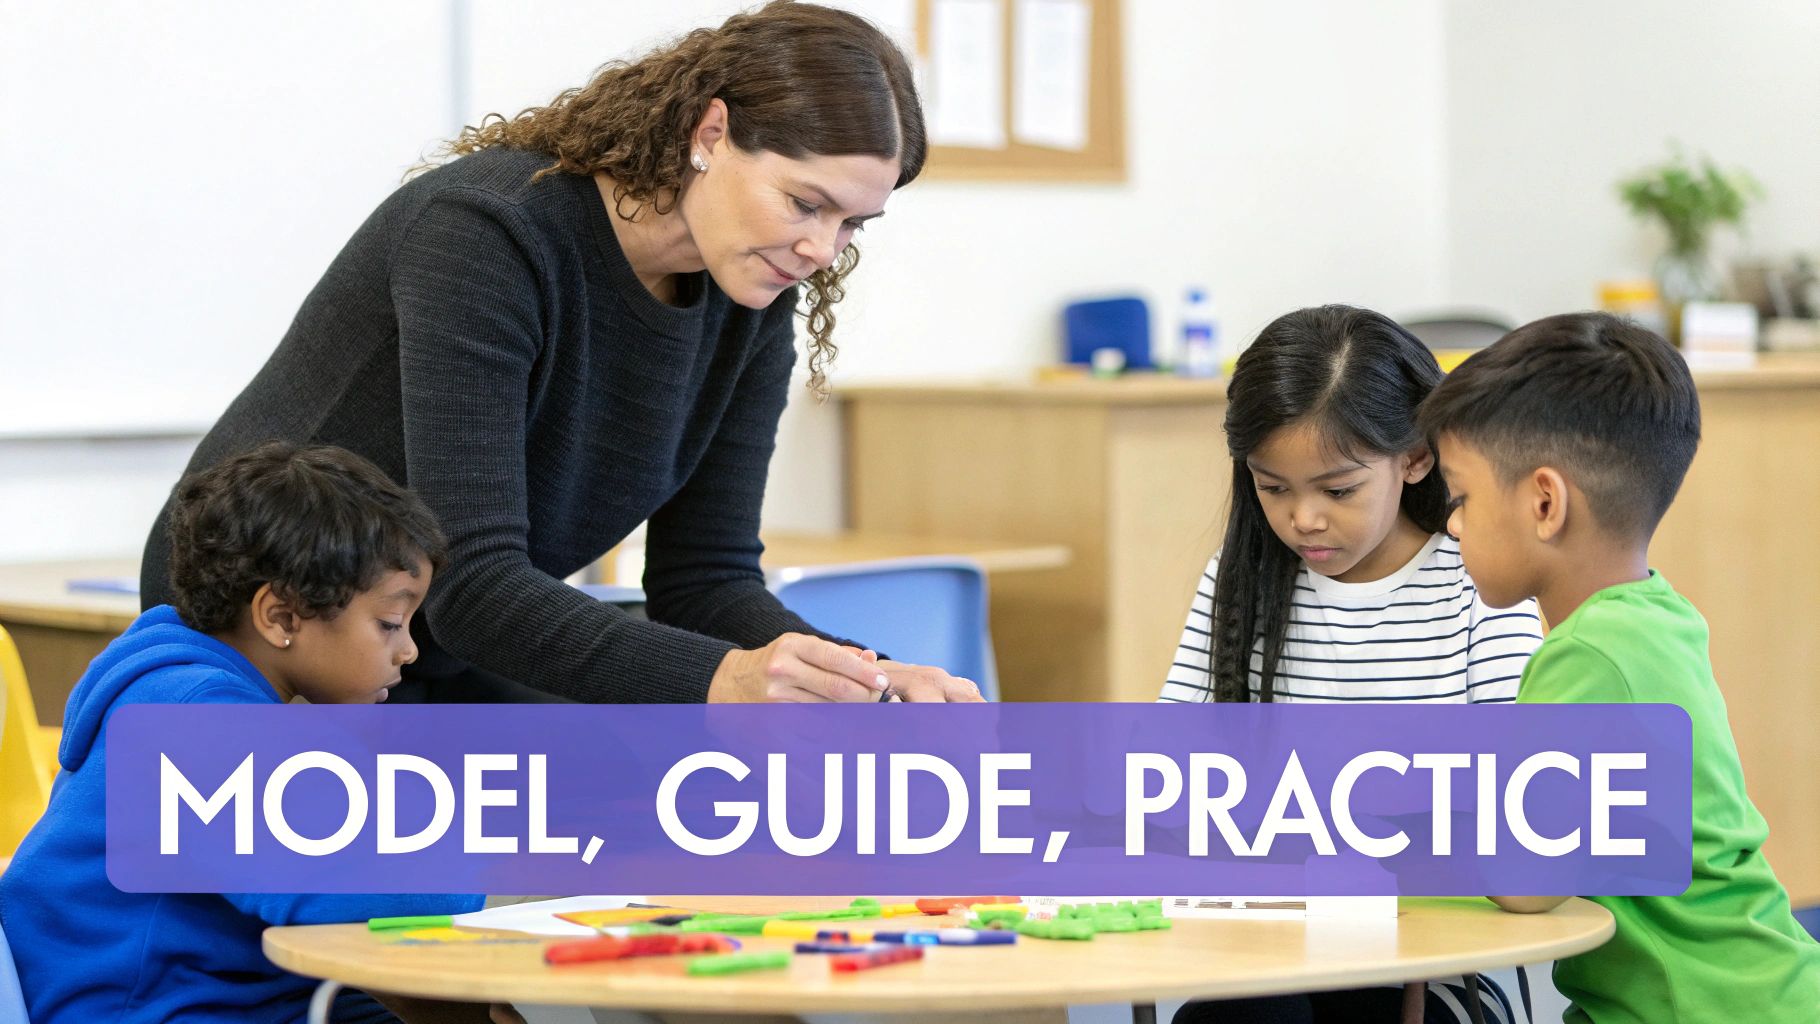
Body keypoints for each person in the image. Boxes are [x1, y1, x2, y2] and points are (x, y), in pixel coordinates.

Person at [138, 1, 980, 707]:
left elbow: (706, 580)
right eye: (805, 203)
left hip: (439, 643)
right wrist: (728, 678)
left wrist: (869, 679)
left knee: (655, 812)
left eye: (850, 225)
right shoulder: (487, 235)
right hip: (271, 639)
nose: (821, 249)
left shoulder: (753, 293)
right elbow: (471, 582)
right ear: (712, 131)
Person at [0, 443, 517, 1023]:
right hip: (148, 1007)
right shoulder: (192, 716)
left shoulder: (212, 699)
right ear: (281, 618)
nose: (409, 649)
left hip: (225, 990)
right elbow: (349, 877)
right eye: (389, 624)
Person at [1419, 312, 1820, 1022]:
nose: (1452, 524)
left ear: (1544, 502)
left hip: (1694, 1010)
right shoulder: (1655, 617)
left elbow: (1523, 880)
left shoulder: (1590, 656)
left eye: (1461, 497)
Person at [1161, 305, 1542, 1023]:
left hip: (1433, 963)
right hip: (1271, 951)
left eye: (1338, 490)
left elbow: (1518, 804)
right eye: (1272, 488)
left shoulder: (1476, 585)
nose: (1303, 518)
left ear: (1416, 458)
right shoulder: (1240, 577)